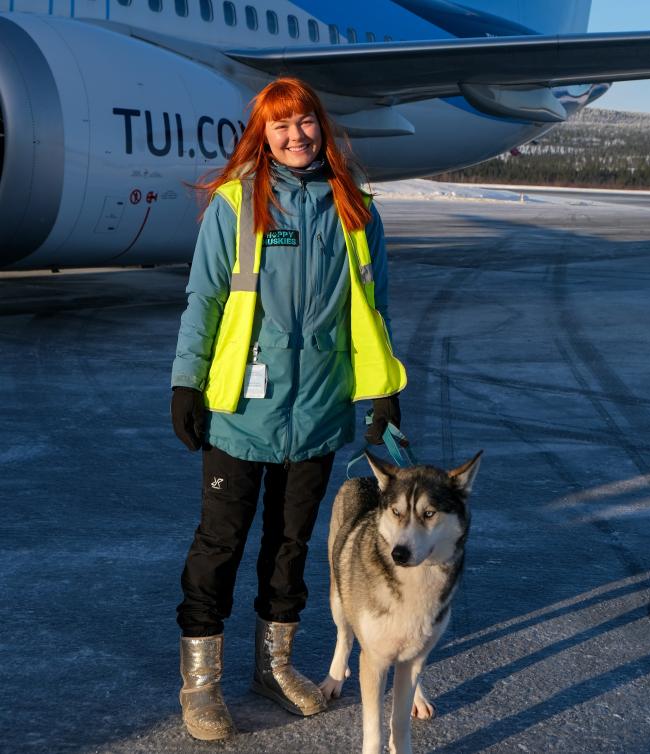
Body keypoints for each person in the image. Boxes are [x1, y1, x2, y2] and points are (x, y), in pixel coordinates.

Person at [170, 77, 407, 741]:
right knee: (219, 545)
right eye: (280, 126)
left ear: (321, 129)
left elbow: (373, 310)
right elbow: (206, 300)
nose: (294, 135)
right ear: (263, 135)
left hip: (320, 408)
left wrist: (384, 387)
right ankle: (201, 683)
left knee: (291, 546)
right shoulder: (238, 204)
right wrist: (186, 382)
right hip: (240, 411)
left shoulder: (354, 208)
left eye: (304, 122)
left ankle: (272, 668)